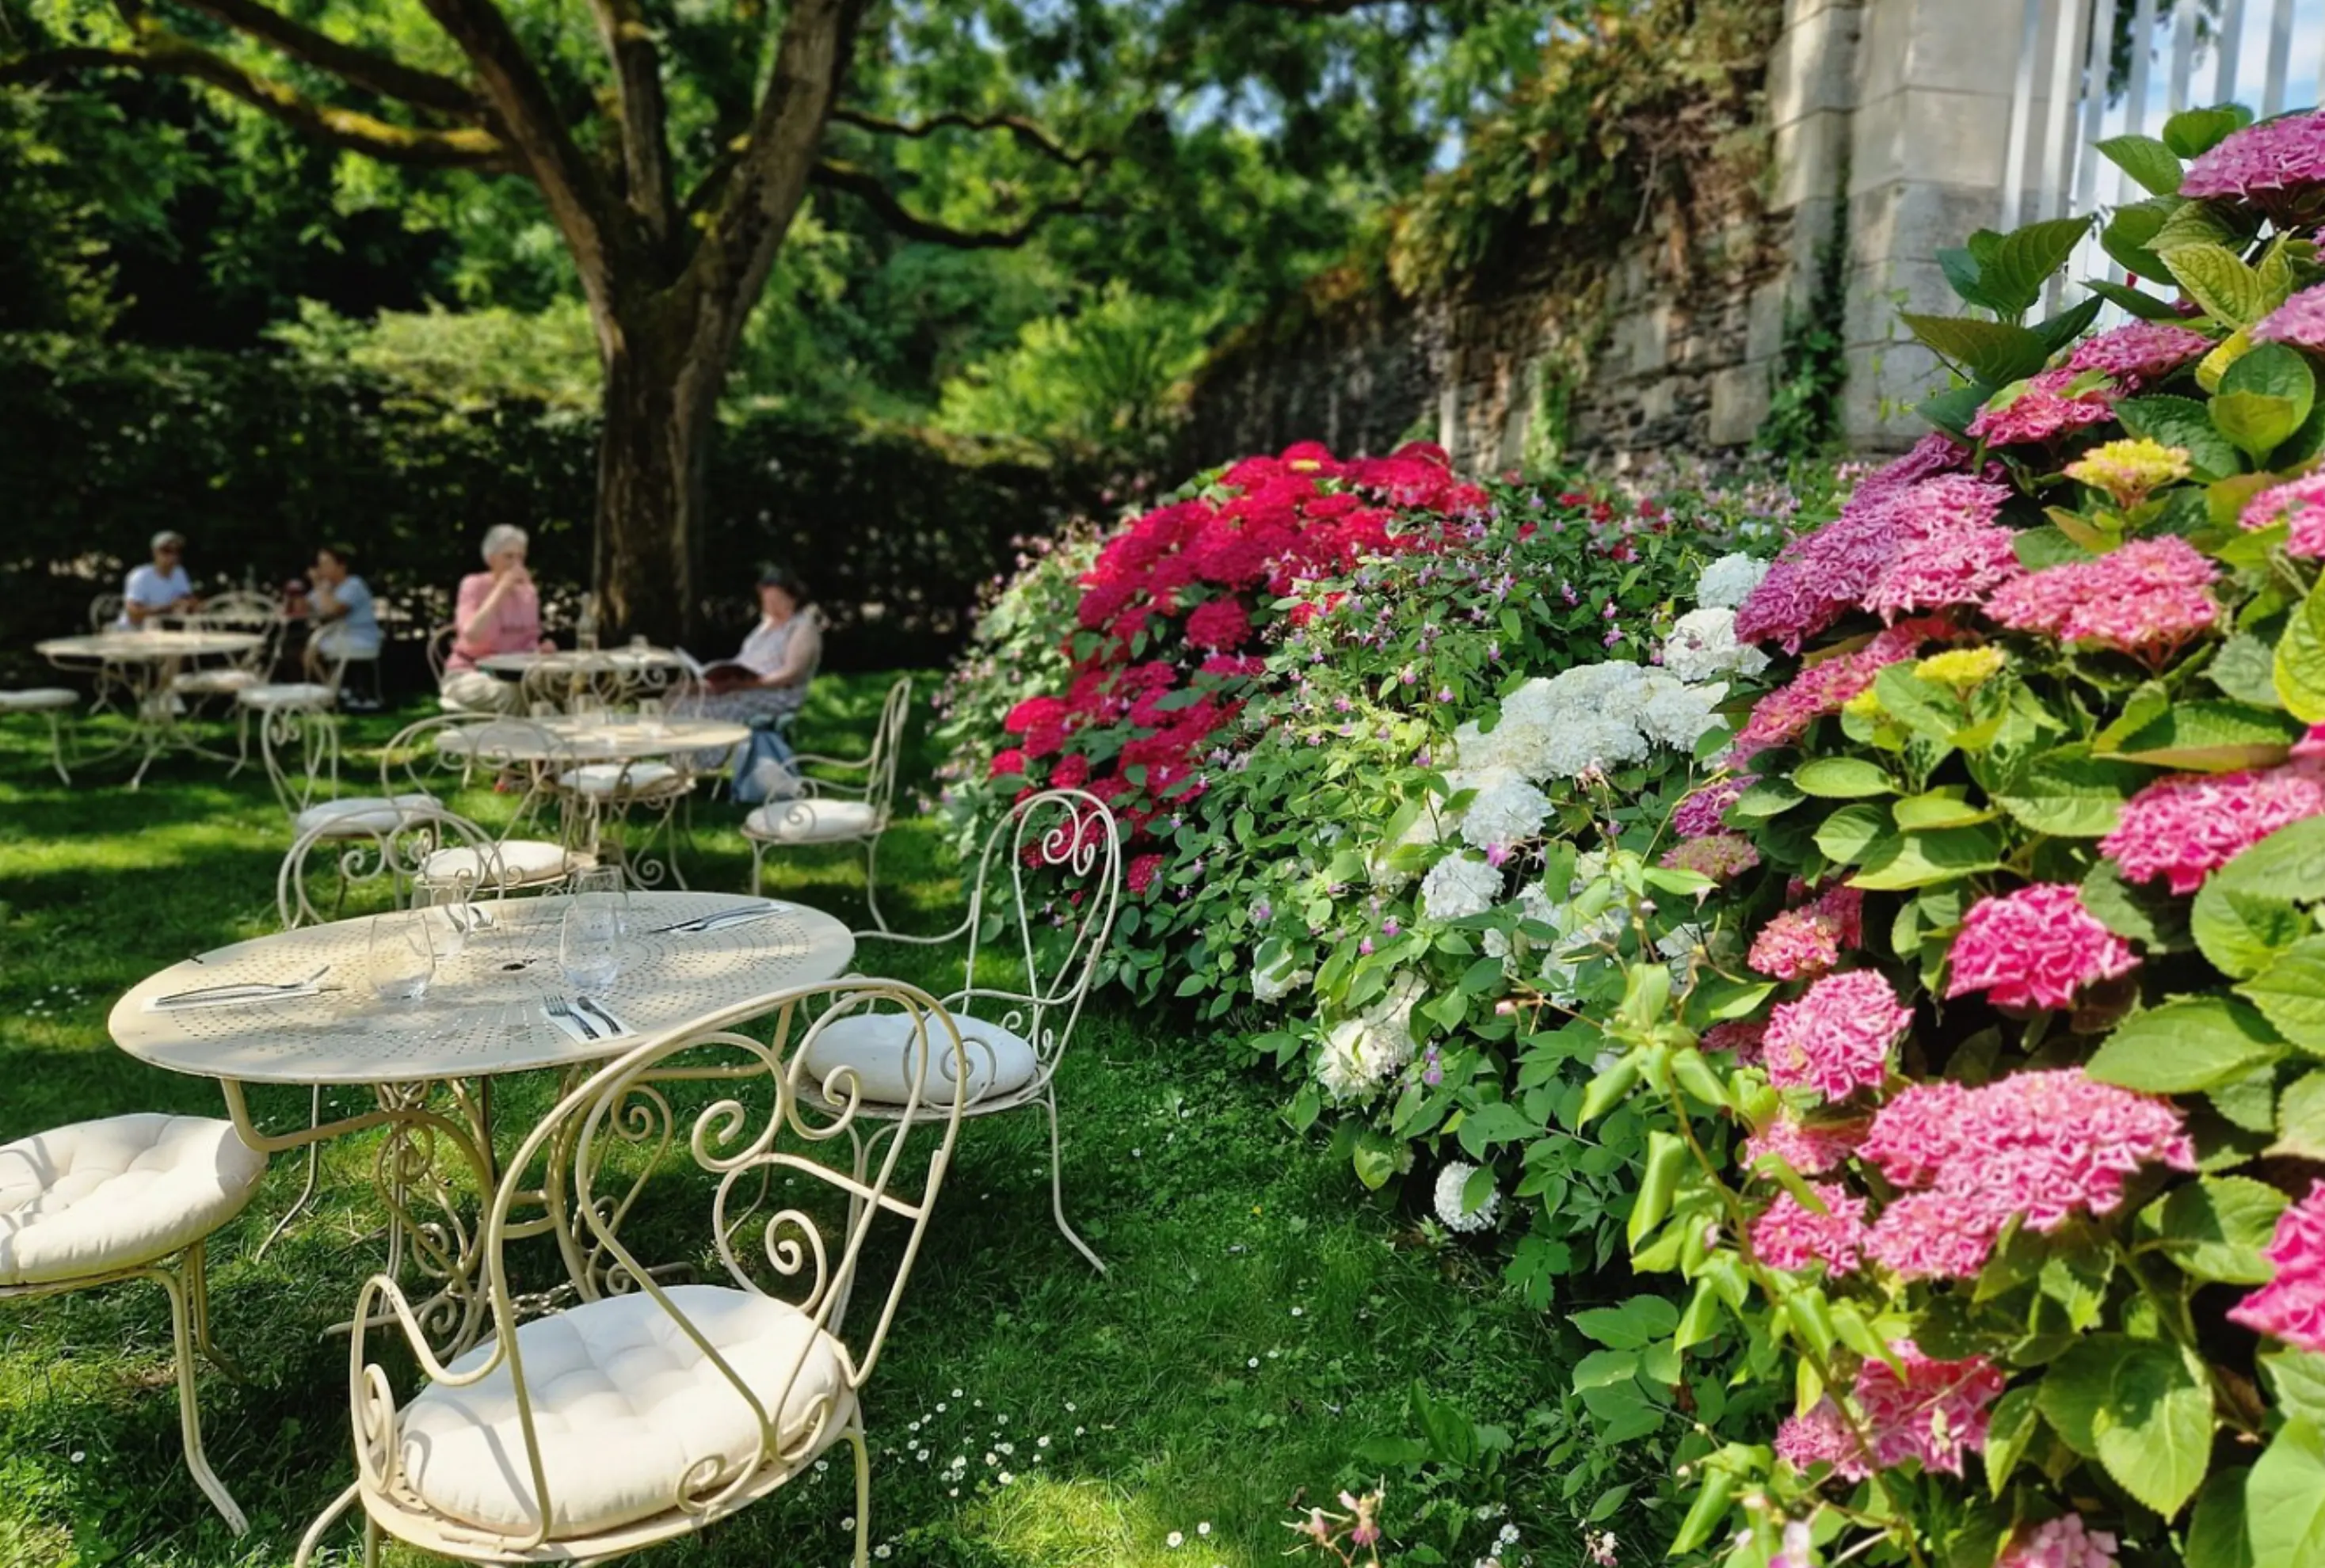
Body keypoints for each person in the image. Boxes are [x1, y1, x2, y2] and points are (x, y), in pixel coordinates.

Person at [440, 524, 554, 712]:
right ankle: (515, 732)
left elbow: (528, 640)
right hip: (468, 674)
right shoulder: (473, 585)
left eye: (520, 557)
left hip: (515, 676)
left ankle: (553, 731)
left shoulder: (527, 593)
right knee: (514, 694)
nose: (516, 564)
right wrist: (501, 589)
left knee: (558, 688)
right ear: (491, 559)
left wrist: (541, 649)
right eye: (509, 557)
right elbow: (472, 635)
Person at [303, 542, 382, 690]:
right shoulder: (326, 588)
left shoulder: (354, 585)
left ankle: (333, 692)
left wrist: (318, 585)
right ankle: (331, 691)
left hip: (358, 637)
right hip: (336, 637)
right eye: (320, 564)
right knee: (305, 652)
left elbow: (332, 610)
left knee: (311, 652)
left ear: (341, 566)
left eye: (326, 564)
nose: (321, 569)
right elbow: (305, 607)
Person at [117, 531, 199, 628]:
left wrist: (188, 604)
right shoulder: (140, 576)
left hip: (163, 629)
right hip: (132, 630)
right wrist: (168, 608)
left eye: (176, 551)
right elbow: (133, 614)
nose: (172, 556)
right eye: (166, 550)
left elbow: (188, 599)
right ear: (155, 552)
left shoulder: (179, 573)